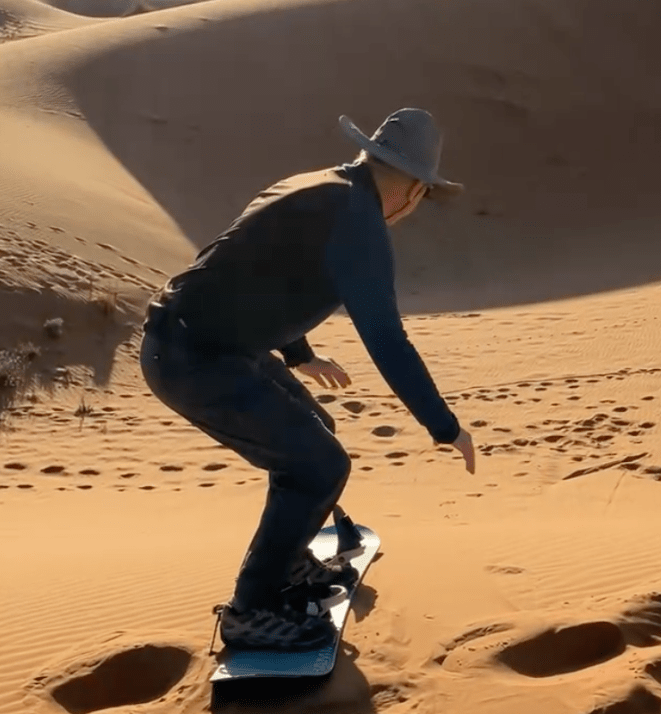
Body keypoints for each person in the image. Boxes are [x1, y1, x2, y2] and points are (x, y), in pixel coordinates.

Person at [140, 107, 476, 651]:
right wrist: (445, 427)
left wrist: (298, 355)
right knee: (317, 466)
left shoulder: (314, 184)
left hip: (196, 341)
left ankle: (290, 564)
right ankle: (250, 610)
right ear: (414, 191)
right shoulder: (358, 221)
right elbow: (387, 339)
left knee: (314, 427)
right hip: (196, 359)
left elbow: (249, 265)